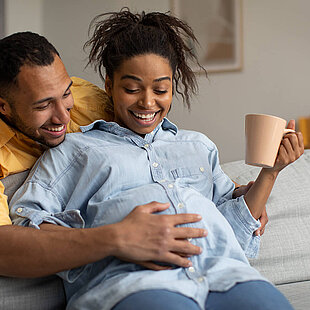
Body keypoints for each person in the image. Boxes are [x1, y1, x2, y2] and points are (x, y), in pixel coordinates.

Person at [10, 9, 303, 310]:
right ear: (109, 85)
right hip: (131, 281)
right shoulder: (73, 151)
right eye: (132, 89)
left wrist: (270, 173)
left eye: (161, 89)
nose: (148, 102)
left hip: (225, 273)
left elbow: (235, 234)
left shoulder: (198, 146)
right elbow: (29, 226)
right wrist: (112, 237)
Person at [0, 31, 208, 277]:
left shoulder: (88, 99)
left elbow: (154, 143)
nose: (64, 116)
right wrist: (117, 238)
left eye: (66, 93)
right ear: (3, 106)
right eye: (43, 105)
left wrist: (221, 184)